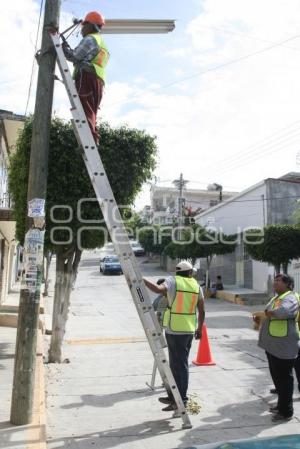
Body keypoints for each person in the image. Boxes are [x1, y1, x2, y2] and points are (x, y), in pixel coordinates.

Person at [143, 260, 205, 412]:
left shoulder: (173, 281)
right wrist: (199, 329)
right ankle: (174, 397)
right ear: (190, 272)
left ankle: (180, 399)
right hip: (188, 330)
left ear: (177, 272)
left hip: (174, 329)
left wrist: (140, 279)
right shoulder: (196, 286)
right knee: (178, 365)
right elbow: (202, 310)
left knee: (178, 366)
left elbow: (158, 289)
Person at [62, 11, 110, 144]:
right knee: (91, 112)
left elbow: (75, 57)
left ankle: (90, 141)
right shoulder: (102, 43)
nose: (82, 28)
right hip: (98, 81)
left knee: (84, 109)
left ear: (91, 26)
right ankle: (93, 139)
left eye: (84, 25)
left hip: (87, 77)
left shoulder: (90, 39)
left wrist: (62, 49)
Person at [258, 273, 300, 422]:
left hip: (284, 345)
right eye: (274, 280)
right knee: (278, 378)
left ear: (288, 284)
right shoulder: (276, 298)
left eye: (278, 281)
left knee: (284, 379)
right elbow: (269, 313)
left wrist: (269, 313)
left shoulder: (290, 297)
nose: (274, 283)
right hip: (273, 345)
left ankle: (286, 412)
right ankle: (281, 405)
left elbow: (285, 312)